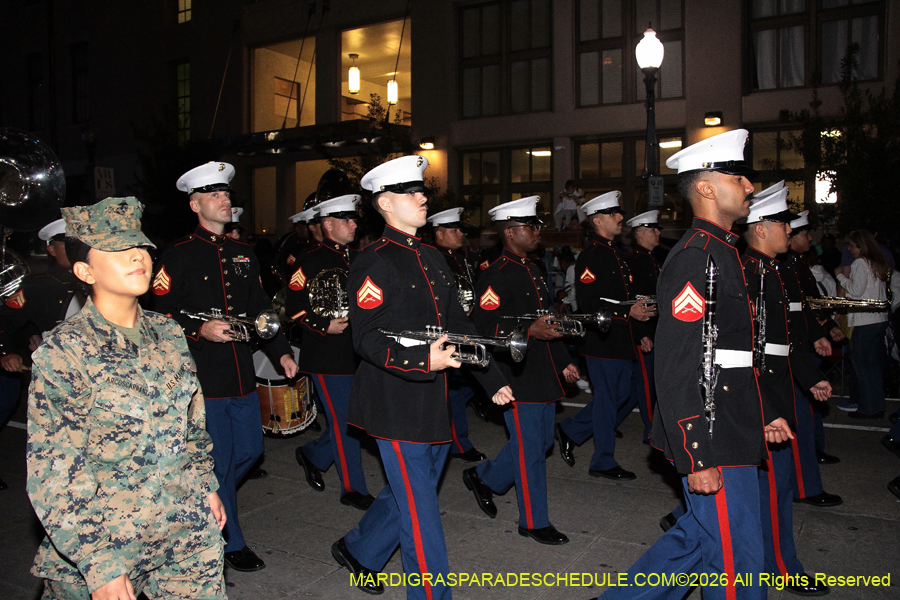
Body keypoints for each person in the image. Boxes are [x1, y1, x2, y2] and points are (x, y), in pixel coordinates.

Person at [597, 129, 793, 600]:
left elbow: (733, 356)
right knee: (736, 563)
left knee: (703, 543)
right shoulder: (695, 258)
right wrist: (696, 455)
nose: (748, 187)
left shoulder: (723, 252)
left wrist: (764, 412)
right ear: (706, 187)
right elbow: (678, 365)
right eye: (738, 176)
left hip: (731, 425)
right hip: (711, 435)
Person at [331, 156, 513, 599]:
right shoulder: (372, 261)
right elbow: (366, 339)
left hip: (433, 399)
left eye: (422, 191)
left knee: (411, 495)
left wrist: (493, 379)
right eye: (412, 193)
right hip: (393, 401)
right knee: (422, 514)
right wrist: (419, 362)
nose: (422, 197)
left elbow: (459, 325)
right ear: (385, 203)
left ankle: (359, 549)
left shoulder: (431, 256)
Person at [27, 196, 226, 599]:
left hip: (183, 527)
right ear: (84, 271)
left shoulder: (167, 334)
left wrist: (206, 484)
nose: (137, 257)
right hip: (105, 536)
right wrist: (99, 565)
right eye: (119, 250)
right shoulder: (65, 351)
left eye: (140, 247)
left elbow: (191, 422)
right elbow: (56, 469)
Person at [152, 162, 299, 572]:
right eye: (215, 195)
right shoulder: (178, 254)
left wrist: (281, 351)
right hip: (203, 377)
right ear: (195, 204)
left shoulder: (243, 253)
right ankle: (230, 541)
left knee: (250, 451)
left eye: (227, 194)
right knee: (219, 459)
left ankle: (197, 503)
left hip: (240, 372)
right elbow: (159, 314)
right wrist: (199, 328)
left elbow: (260, 310)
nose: (226, 200)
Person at [463, 196, 580, 546]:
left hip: (541, 370)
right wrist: (528, 333)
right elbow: (483, 328)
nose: (537, 232)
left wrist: (564, 361)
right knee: (530, 450)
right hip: (515, 374)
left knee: (541, 442)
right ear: (510, 232)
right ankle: (533, 520)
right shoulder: (495, 275)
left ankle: (486, 478)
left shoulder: (534, 270)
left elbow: (548, 323)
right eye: (531, 227)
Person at [741, 188, 832, 596]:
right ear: (761, 229)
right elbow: (747, 352)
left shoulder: (770, 271)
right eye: (782, 222)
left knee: (758, 492)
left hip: (773, 394)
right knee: (771, 492)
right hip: (761, 399)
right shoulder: (752, 274)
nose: (789, 230)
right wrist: (767, 410)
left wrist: (809, 377)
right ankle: (782, 567)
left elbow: (784, 342)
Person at [556, 191, 654, 481]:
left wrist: (639, 332)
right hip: (601, 341)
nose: (621, 218)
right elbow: (590, 304)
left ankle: (571, 430)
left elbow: (627, 300)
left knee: (623, 395)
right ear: (598, 220)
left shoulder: (616, 253)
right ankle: (603, 460)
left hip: (621, 339)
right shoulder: (591, 256)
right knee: (611, 399)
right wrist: (628, 315)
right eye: (614, 214)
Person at [287, 194, 375, 510]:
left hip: (357, 352)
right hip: (326, 353)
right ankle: (352, 488)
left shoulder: (359, 257)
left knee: (354, 418)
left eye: (353, 219)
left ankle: (314, 453)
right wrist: (324, 325)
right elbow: (294, 308)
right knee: (345, 422)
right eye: (346, 220)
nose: (353, 224)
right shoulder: (308, 260)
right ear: (327, 224)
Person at [0, 218, 81, 491]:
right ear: (51, 249)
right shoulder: (38, 286)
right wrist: (7, 351)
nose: (72, 248)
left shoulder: (97, 278)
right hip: (57, 375)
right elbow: (5, 321)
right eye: (64, 243)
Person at [778, 211, 844, 506]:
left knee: (806, 418)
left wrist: (822, 329)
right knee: (798, 424)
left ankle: (806, 478)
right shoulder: (779, 266)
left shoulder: (794, 264)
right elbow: (787, 315)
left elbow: (806, 306)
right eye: (803, 234)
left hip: (799, 349)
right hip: (788, 355)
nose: (808, 240)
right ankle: (805, 488)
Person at [428, 206, 488, 461]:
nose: (460, 233)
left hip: (465, 328)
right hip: (448, 333)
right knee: (454, 390)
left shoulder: (459, 258)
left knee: (468, 385)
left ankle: (454, 438)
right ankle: (458, 443)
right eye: (454, 229)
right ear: (439, 234)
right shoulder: (433, 258)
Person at [835, 229, 891, 419]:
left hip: (865, 320)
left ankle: (867, 408)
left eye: (852, 245)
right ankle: (877, 405)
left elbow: (857, 291)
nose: (850, 249)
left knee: (861, 364)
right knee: (873, 366)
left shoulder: (860, 263)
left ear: (861, 246)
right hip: (879, 319)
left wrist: (841, 276)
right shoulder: (878, 263)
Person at [619, 209, 663, 444]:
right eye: (653, 229)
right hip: (643, 330)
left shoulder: (653, 260)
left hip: (654, 329)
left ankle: (577, 428)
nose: (657, 233)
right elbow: (632, 303)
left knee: (637, 389)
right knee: (646, 385)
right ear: (641, 234)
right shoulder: (633, 262)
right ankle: (652, 430)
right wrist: (641, 334)